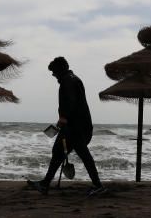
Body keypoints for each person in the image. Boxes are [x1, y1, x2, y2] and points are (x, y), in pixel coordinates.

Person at [28, 56, 105, 196]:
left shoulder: (67, 81)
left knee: (83, 155)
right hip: (76, 126)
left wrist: (63, 118)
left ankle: (98, 185)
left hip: (75, 127)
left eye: (54, 72)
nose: (53, 75)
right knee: (58, 152)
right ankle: (45, 184)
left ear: (60, 70)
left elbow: (70, 101)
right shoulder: (72, 79)